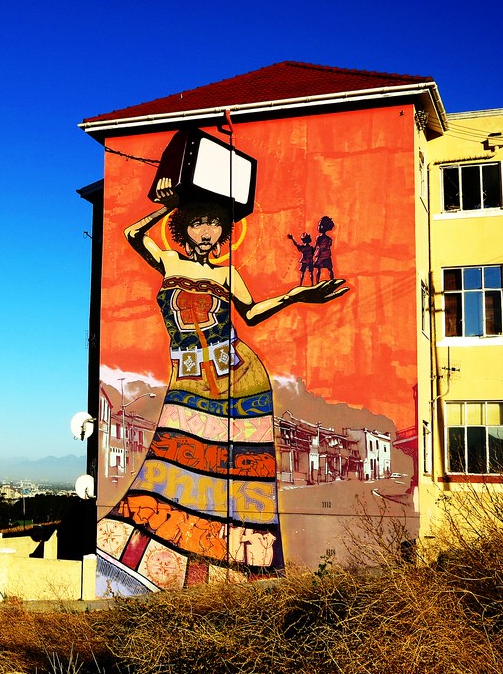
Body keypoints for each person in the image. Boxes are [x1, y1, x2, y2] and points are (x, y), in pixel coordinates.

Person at [96, 177, 347, 594]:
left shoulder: (229, 273)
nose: (206, 231)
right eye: (197, 222)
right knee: (168, 464)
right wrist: (171, 203)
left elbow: (253, 313)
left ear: (223, 232)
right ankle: (148, 561)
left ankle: (239, 573)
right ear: (184, 228)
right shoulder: (170, 262)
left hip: (241, 378)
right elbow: (132, 234)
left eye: (214, 223)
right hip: (188, 376)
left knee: (239, 476)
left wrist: (297, 296)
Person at [312, 216, 336, 283]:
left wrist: (313, 253)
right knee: (329, 268)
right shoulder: (329, 239)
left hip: (321, 255)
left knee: (320, 269)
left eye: (320, 225)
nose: (318, 227)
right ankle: (331, 281)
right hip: (326, 254)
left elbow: (315, 246)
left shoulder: (319, 238)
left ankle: (318, 282)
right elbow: (329, 245)